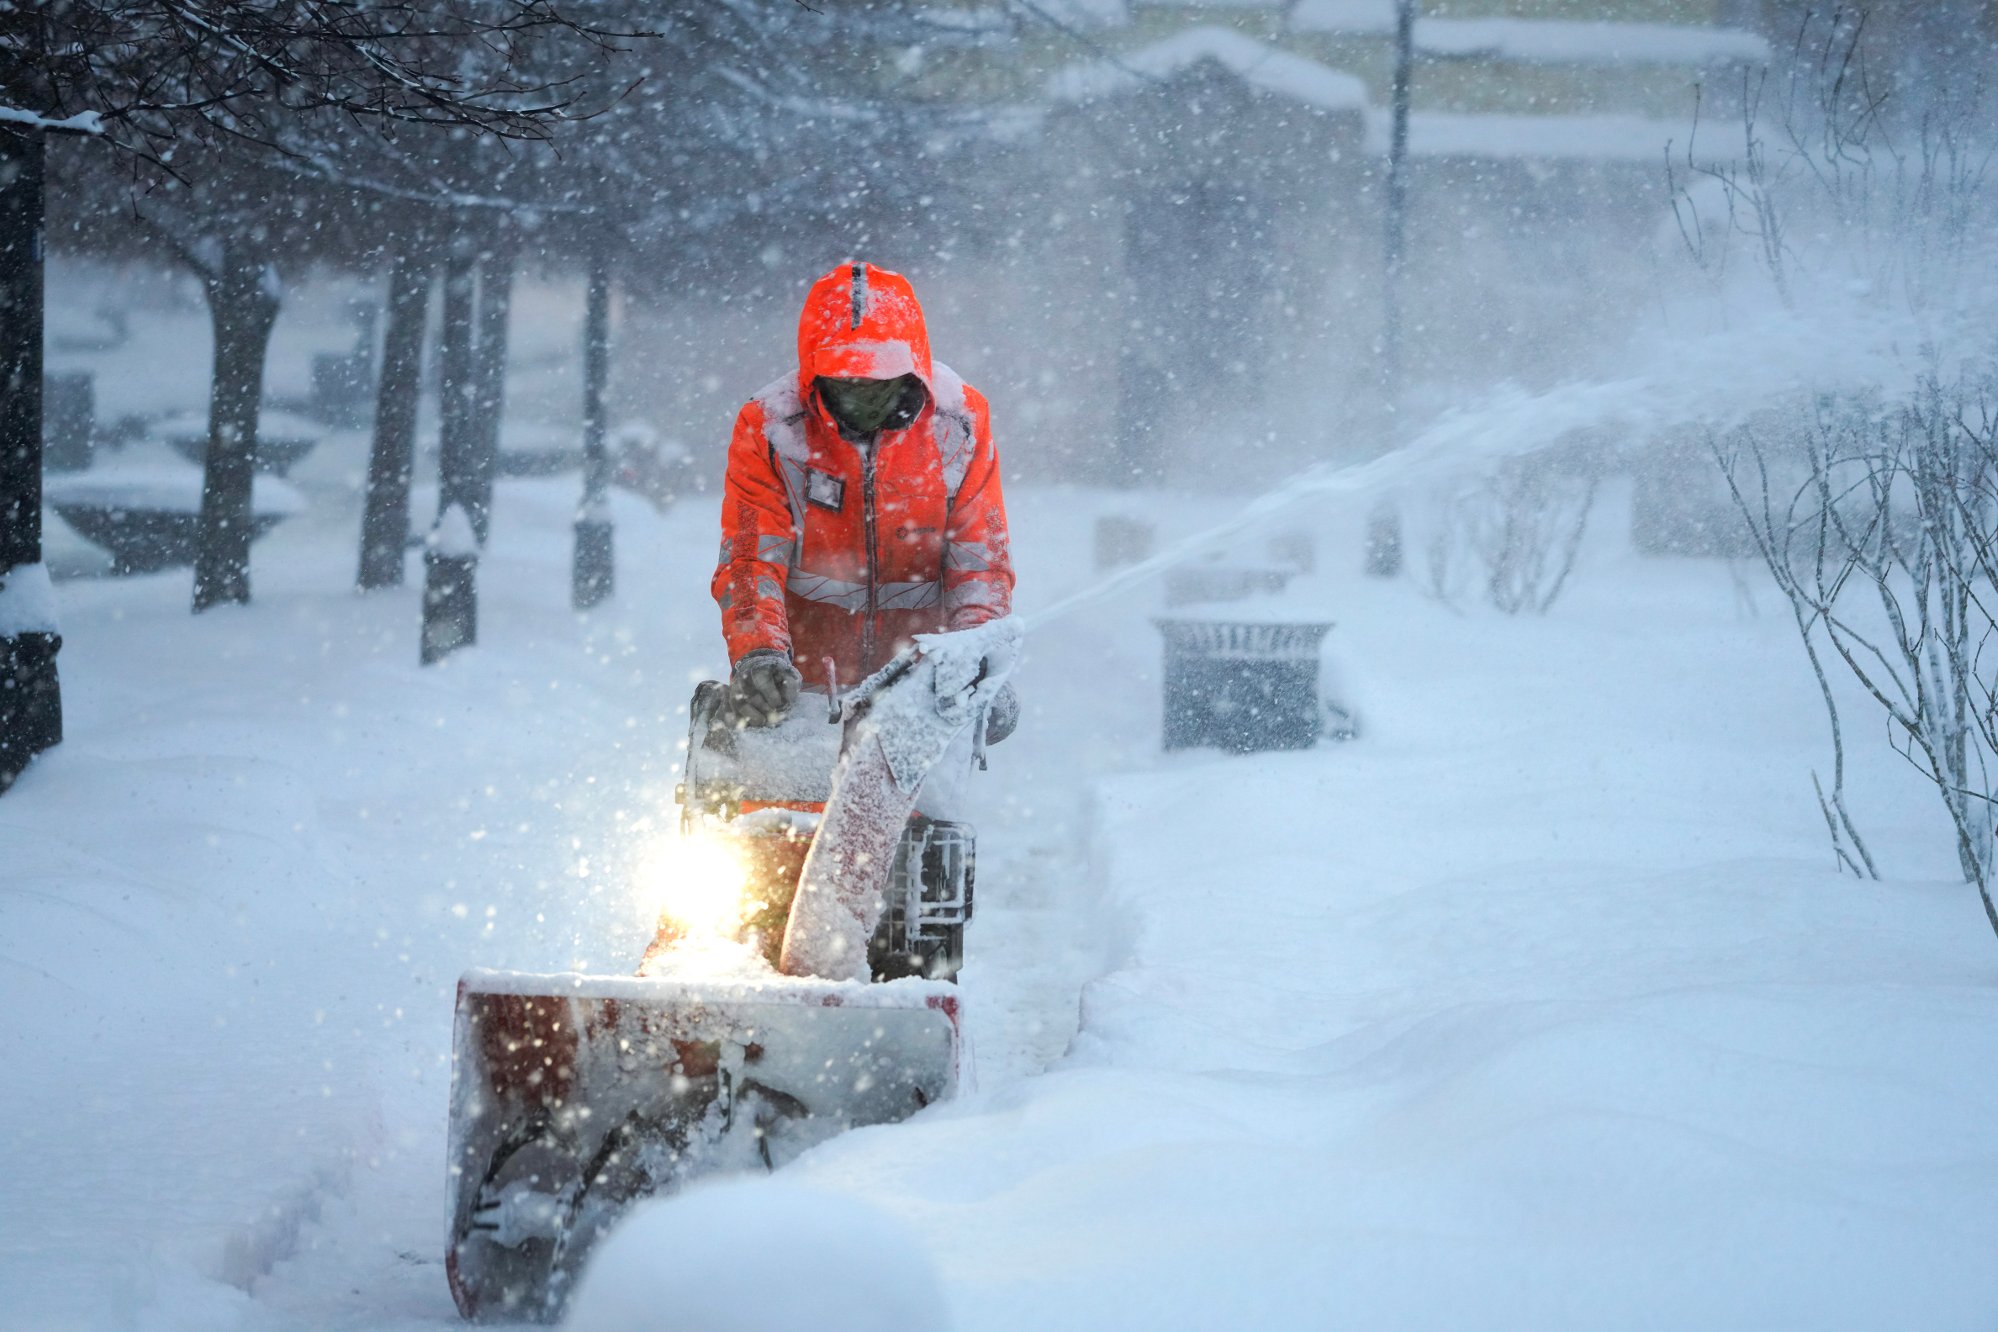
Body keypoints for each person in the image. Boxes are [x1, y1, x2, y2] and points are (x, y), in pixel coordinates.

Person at [713, 261, 1018, 743]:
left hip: (923, 700)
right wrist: (760, 654)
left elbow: (979, 567)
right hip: (799, 697)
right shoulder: (770, 430)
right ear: (816, 376)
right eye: (848, 385)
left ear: (913, 369)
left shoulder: (959, 426)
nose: (866, 403)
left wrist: (978, 662)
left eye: (882, 384)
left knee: (925, 819)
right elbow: (751, 561)